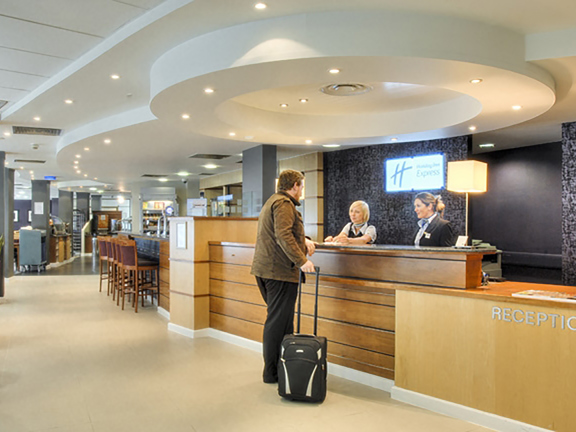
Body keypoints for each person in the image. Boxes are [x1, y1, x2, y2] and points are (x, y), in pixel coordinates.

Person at [251, 169, 316, 384]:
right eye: (301, 187)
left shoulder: (273, 201)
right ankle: (271, 372)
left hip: (267, 270)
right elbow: (283, 234)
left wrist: (304, 239)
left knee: (282, 322)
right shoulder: (284, 204)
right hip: (279, 272)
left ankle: (280, 368)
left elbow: (283, 231)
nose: (301, 191)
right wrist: (302, 261)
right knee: (278, 323)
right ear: (295, 185)